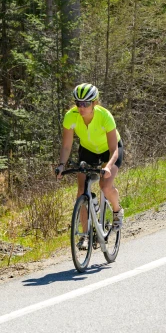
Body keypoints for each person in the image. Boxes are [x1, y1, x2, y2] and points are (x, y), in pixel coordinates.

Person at [55, 83, 124, 249]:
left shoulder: (105, 116)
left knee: (105, 185)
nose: (81, 107)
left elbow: (115, 149)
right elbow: (66, 146)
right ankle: (85, 235)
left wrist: (107, 166)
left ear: (95, 103)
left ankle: (117, 211)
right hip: (88, 151)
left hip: (109, 150)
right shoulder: (70, 116)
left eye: (85, 104)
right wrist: (61, 165)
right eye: (78, 103)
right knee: (81, 191)